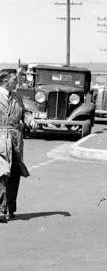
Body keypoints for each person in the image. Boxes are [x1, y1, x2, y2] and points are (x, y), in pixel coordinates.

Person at [0, 68, 37, 223]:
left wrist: (30, 120)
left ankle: (10, 208)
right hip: (0, 139)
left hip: (15, 141)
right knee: (2, 174)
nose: (18, 81)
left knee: (15, 173)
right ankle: (1, 209)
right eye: (15, 79)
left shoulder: (17, 97)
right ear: (6, 81)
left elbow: (25, 113)